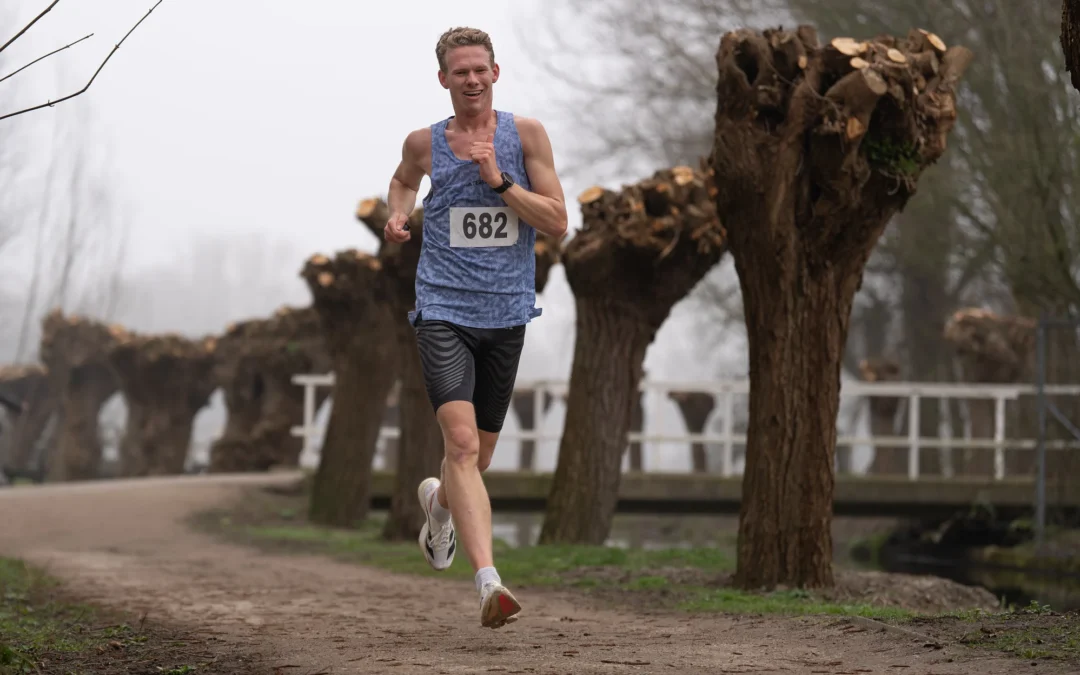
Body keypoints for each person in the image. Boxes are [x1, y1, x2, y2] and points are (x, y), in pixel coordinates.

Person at [382, 26, 568, 629]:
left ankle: (438, 506)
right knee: (460, 445)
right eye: (459, 71)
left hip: (508, 311)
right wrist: (397, 214)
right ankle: (490, 583)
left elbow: (558, 221)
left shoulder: (526, 136)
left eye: (479, 69)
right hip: (442, 309)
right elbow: (404, 179)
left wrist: (499, 181)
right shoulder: (425, 143)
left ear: (495, 72)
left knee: (476, 459)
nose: (471, 79)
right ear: (444, 80)